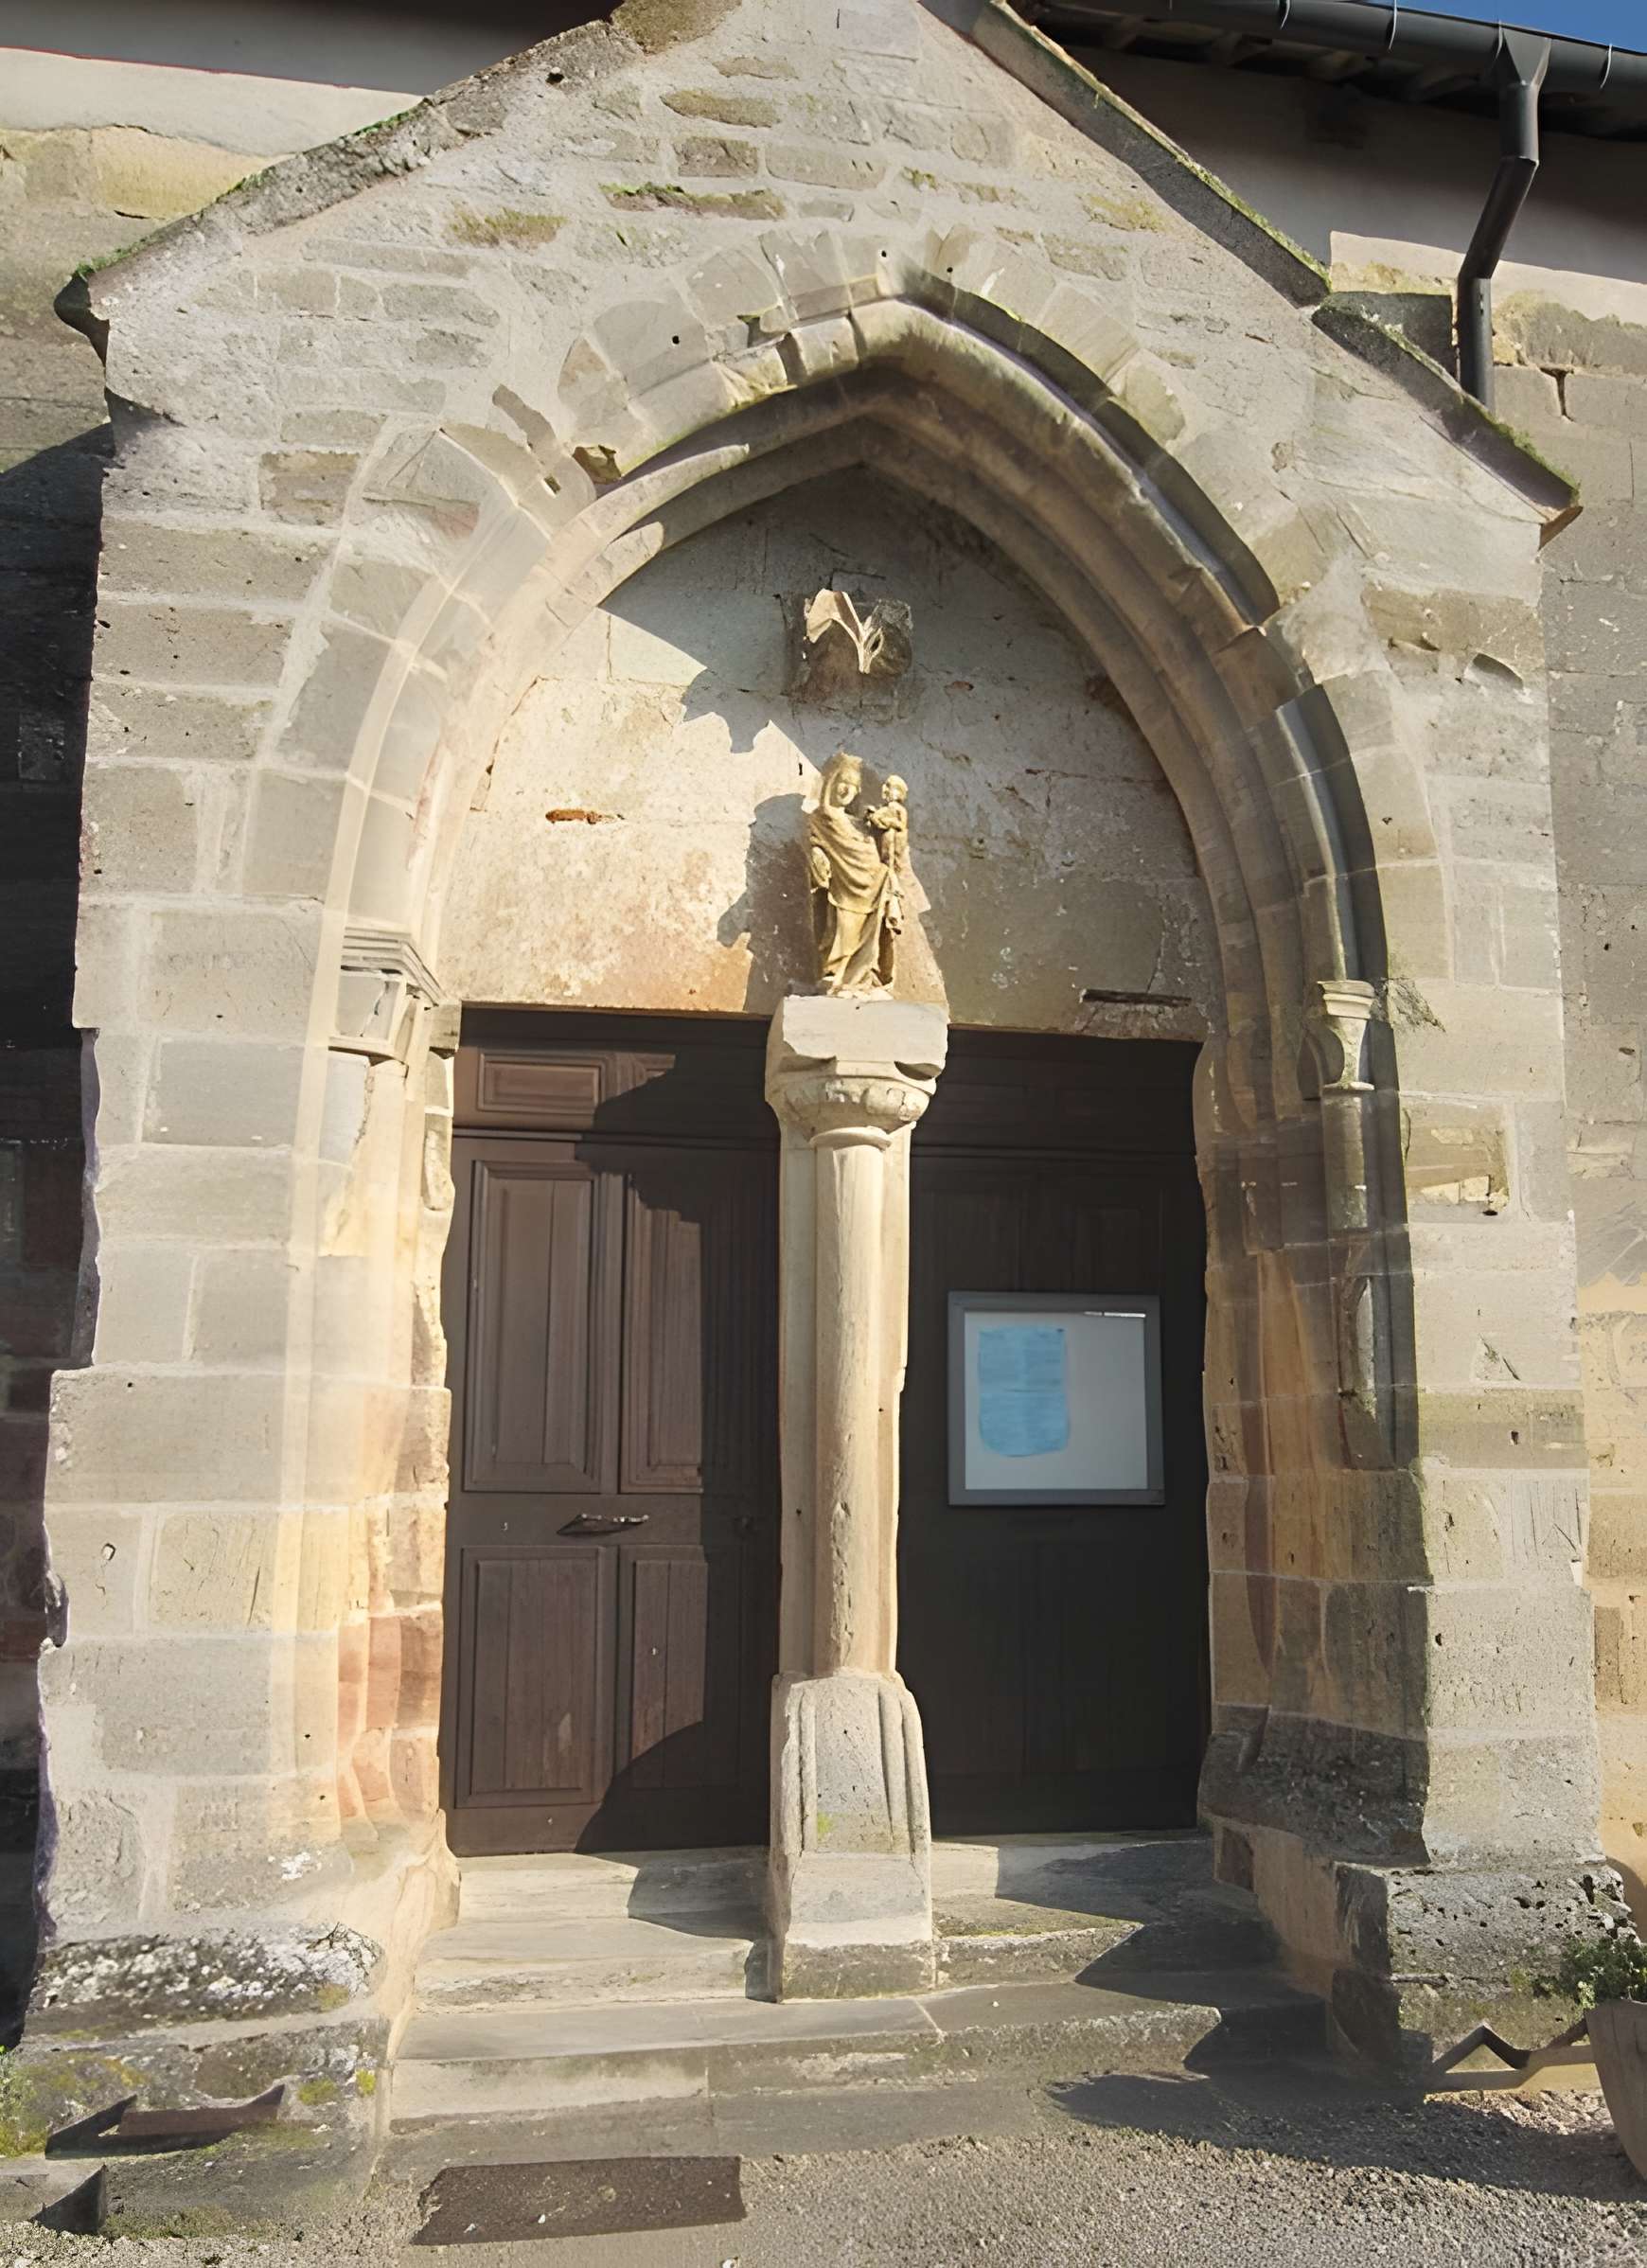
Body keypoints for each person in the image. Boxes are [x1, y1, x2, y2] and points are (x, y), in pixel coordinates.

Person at [806, 751, 895, 994]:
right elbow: (814, 845)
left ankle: (861, 977)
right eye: (842, 782)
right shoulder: (819, 820)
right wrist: (817, 854)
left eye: (853, 786)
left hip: (871, 887)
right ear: (831, 784)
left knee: (868, 933)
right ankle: (836, 974)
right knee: (841, 929)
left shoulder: (859, 825)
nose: (847, 789)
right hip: (842, 888)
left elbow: (878, 853)